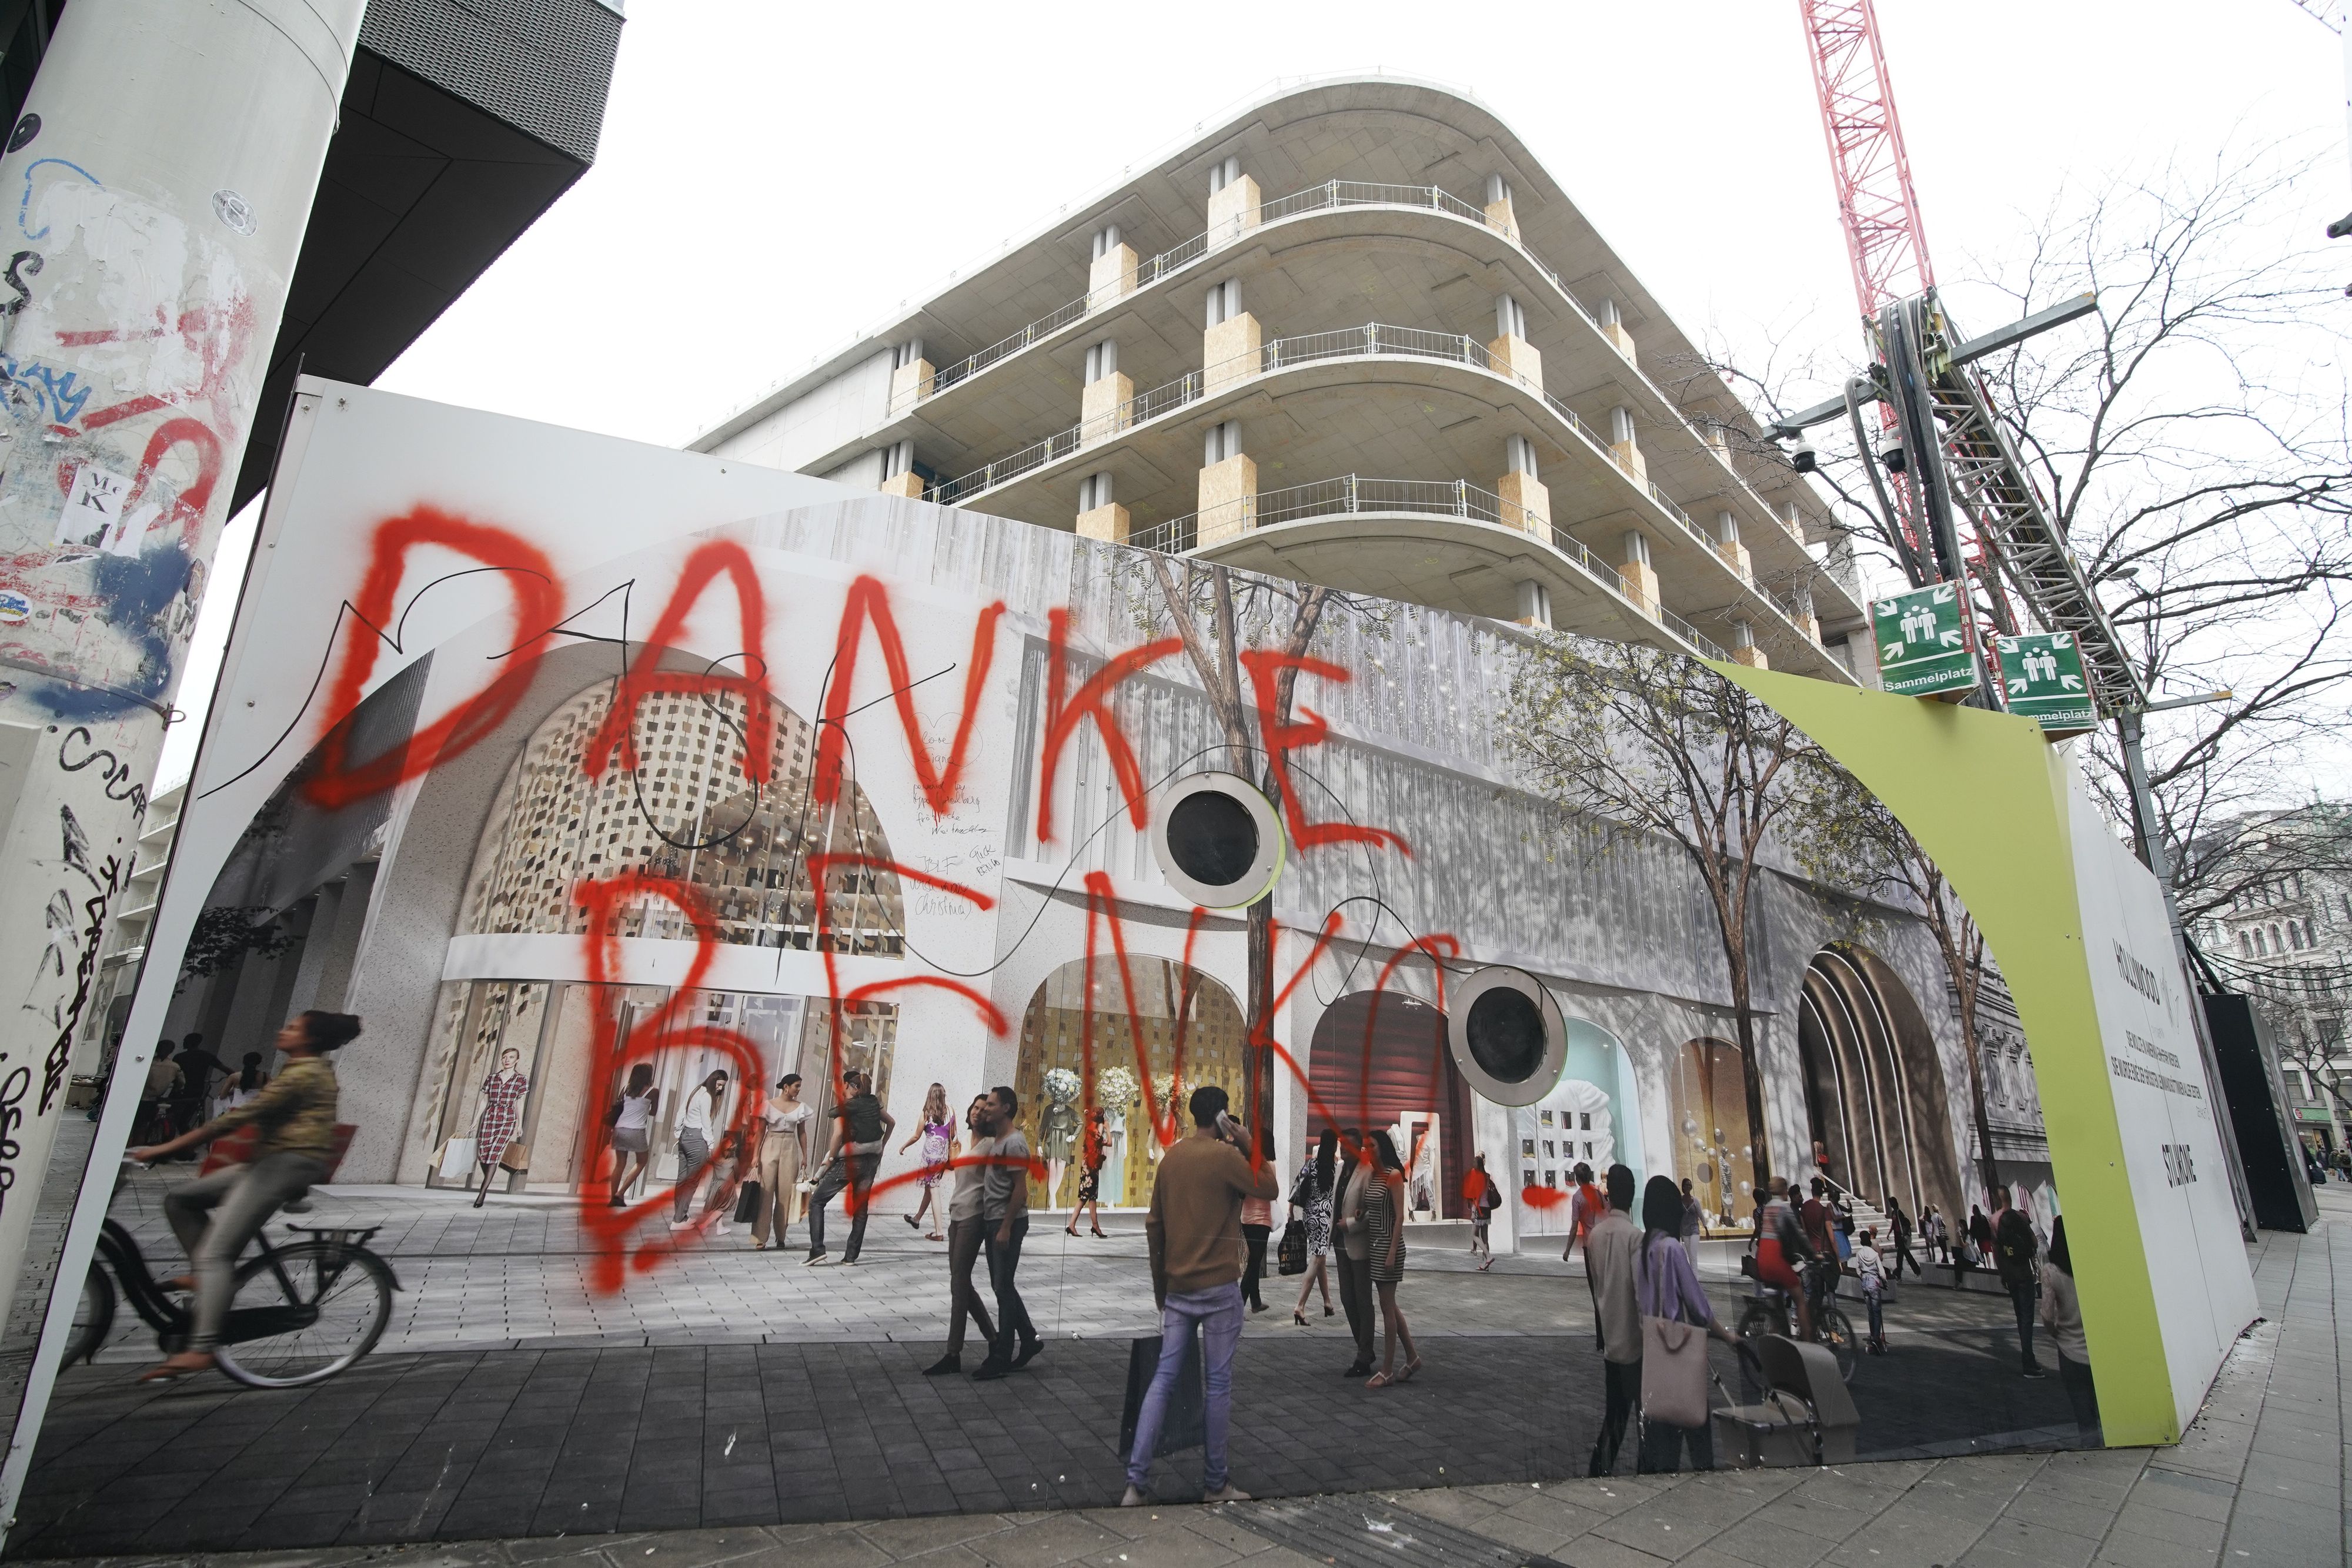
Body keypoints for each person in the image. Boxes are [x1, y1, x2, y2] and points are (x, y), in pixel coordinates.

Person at [127, 1011, 360, 1382]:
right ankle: (208, 1278)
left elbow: (236, 1119)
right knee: (180, 1200)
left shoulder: (305, 1073)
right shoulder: (301, 1069)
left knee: (215, 1254)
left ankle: (202, 1348)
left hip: (287, 1165)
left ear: (311, 1039)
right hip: (268, 1162)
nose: (283, 1030)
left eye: (293, 1028)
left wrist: (163, 1148)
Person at [1121, 1085, 1276, 1506]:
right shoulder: (1226, 1158)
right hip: (1220, 1287)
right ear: (1223, 1116)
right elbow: (1269, 1187)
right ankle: (1215, 1483)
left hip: (1178, 1287)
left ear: (1193, 1114)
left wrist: (1161, 1287)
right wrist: (1248, 1142)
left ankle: (1136, 1482)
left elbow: (1154, 1226)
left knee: (1163, 1380)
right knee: (1218, 1384)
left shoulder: (1172, 1159)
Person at [1635, 1174, 1742, 1474]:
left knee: (1662, 1439)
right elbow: (1699, 1308)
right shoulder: (1672, 1248)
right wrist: (1727, 1336)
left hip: (1653, 1350)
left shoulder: (1642, 1249)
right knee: (1697, 1428)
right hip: (1678, 1347)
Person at [924, 1095, 999, 1376]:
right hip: (957, 1214)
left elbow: (993, 1183)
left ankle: (953, 1353)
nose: (978, 1112)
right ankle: (993, 1338)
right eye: (975, 1108)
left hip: (974, 1217)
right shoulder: (963, 1143)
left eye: (984, 1109)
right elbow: (961, 1176)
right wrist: (953, 1159)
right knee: (961, 1282)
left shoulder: (991, 1145)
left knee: (959, 1283)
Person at [973, 1084, 1041, 1379]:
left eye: (991, 1104)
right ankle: (1028, 1339)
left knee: (1002, 1287)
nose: (987, 1108)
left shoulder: (1014, 1143)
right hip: (995, 1220)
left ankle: (1003, 1354)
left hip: (1006, 1222)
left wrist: (1005, 1228)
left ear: (1006, 1108)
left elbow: (1020, 1190)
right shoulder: (999, 1140)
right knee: (1003, 1286)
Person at [1584, 1164, 1642, 1476]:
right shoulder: (1635, 1237)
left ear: (1609, 1195)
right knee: (1645, 1416)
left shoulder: (1596, 1237)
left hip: (1611, 1339)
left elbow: (1597, 1286)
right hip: (1636, 1342)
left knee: (1615, 1415)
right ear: (1632, 1195)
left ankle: (1599, 1468)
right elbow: (1641, 1294)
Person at [806, 1066, 894, 1265]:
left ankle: (817, 1250)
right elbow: (891, 1122)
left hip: (851, 1162)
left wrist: (831, 1158)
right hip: (872, 1161)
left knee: (817, 1202)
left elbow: (837, 1134)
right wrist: (882, 1146)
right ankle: (851, 1257)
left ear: (849, 1086)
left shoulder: (847, 1107)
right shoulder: (873, 1103)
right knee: (861, 1209)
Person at [1361, 1129, 1421, 1389]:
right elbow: (1375, 1207)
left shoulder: (1393, 1175)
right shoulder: (1374, 1175)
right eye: (1366, 1146)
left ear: (1383, 1147)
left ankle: (1387, 1370)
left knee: (1387, 1308)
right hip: (1375, 1244)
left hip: (1388, 1245)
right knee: (1390, 1305)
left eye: (1372, 1146)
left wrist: (1393, 1252)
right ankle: (1412, 1358)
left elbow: (1399, 1217)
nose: (1367, 1150)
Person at [2038, 1216, 2099, 1443]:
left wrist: (2055, 1332)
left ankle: (2091, 1445)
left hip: (2069, 1350)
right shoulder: (2091, 1264)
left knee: (2083, 1412)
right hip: (2098, 1347)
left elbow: (2047, 1314)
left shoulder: (2051, 1271)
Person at [750, 1073, 812, 1250]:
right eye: (796, 1086)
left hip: (790, 1146)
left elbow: (802, 1132)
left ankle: (781, 1235)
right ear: (786, 1087)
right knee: (765, 1192)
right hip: (770, 1143)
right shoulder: (768, 1105)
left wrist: (805, 1155)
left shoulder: (800, 1107)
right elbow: (760, 1132)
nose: (798, 1090)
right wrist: (755, 1155)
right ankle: (760, 1237)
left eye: (799, 1086)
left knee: (786, 1193)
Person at [1991, 1185, 2044, 1378]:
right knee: (2028, 1317)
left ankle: (2027, 1357)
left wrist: (2002, 1274)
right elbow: (2035, 1242)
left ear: (1997, 1200)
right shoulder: (2021, 1217)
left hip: (2010, 1274)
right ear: (2010, 1198)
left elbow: (1996, 1251)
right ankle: (2028, 1360)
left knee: (2020, 1315)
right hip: (2024, 1272)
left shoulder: (1994, 1220)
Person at [1334, 1128, 1375, 1374]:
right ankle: (1364, 1347)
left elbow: (1373, 1211)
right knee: (1346, 1298)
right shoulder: (1340, 1170)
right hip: (1340, 1244)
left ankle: (1364, 1354)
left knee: (1362, 1300)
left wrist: (1350, 1224)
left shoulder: (1367, 1172)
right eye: (1342, 1145)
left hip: (1359, 1245)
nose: (1343, 1150)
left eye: (1348, 1146)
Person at [667, 1070, 729, 1231]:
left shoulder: (695, 1091)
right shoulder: (707, 1097)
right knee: (692, 1181)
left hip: (685, 1136)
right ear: (713, 1080)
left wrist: (678, 1131)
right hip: (697, 1138)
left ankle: (681, 1216)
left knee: (682, 1180)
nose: (720, 1089)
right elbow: (706, 1122)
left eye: (722, 1086)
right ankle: (678, 1220)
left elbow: (681, 1112)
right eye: (719, 1085)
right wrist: (711, 1144)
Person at [1754, 1176, 1813, 1341]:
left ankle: (1775, 1339)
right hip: (1776, 1258)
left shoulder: (1767, 1208)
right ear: (1784, 1191)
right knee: (1800, 1299)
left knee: (1777, 1306)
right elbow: (1799, 1234)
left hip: (1763, 1259)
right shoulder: (1784, 1208)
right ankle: (1807, 1342)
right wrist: (1813, 1254)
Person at [470, 1046, 530, 1209]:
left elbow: (519, 1103)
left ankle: (482, 1192)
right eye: (505, 1057)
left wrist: (519, 1124)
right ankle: (487, 1182)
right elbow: (485, 1100)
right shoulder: (492, 1078)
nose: (507, 1060)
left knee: (494, 1154)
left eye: (511, 1057)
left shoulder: (521, 1080)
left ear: (517, 1060)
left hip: (507, 1119)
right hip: (489, 1117)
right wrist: (475, 1120)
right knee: (484, 1154)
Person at [1291, 1128, 1338, 1326]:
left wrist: (1290, 1210)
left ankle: (1327, 1303)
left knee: (1320, 1258)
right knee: (1317, 1258)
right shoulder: (1336, 1167)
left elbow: (1297, 1184)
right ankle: (1300, 1306)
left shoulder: (1310, 1164)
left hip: (1309, 1215)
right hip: (1326, 1218)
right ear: (1334, 1146)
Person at [900, 1082, 953, 1241]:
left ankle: (939, 1232)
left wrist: (904, 1146)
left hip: (930, 1157)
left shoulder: (926, 1114)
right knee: (930, 1189)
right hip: (943, 1156)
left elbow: (916, 1136)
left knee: (934, 1190)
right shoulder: (951, 1111)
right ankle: (917, 1219)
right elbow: (953, 1134)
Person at [606, 1064, 659, 1206]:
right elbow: (654, 1112)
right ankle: (620, 1193)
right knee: (642, 1161)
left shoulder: (626, 1089)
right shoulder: (653, 1091)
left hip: (620, 1129)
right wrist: (642, 1110)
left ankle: (613, 1199)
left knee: (620, 1164)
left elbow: (619, 1107)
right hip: (636, 1130)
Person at [168, 1032, 226, 1144]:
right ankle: (187, 1143)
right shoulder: (207, 1056)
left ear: (189, 1042)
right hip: (196, 1091)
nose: (183, 1042)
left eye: (185, 1040)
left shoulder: (179, 1057)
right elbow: (225, 1069)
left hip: (179, 1091)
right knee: (185, 1119)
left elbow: (172, 1074)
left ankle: (170, 1142)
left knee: (173, 1117)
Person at [1239, 1134, 1273, 1314]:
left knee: (1254, 1259)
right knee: (1254, 1262)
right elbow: (1272, 1192)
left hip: (1247, 1218)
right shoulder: (1269, 1166)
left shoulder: (1247, 1166)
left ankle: (1256, 1301)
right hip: (1262, 1220)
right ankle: (1239, 1303)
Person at [1069, 1106, 1109, 1238]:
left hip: (1087, 1165)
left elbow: (1083, 1149)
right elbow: (1108, 1143)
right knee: (1086, 1197)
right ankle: (1073, 1225)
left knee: (1090, 1197)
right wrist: (1107, 1130)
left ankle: (1094, 1226)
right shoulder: (1096, 1131)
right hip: (1091, 1166)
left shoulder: (1089, 1130)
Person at [138, 1040, 182, 1146]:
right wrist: (174, 1091)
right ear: (171, 1051)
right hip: (154, 1099)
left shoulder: (147, 1062)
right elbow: (181, 1083)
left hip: (141, 1097)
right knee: (143, 1126)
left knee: (138, 1126)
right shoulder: (174, 1067)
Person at [1853, 1226, 1887, 1354]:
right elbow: (1882, 1272)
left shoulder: (1859, 1254)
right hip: (1874, 1282)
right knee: (1877, 1312)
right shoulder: (1874, 1254)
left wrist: (1863, 1277)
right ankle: (1876, 1338)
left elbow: (1858, 1270)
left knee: (1870, 1312)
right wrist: (1885, 1283)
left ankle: (1872, 1335)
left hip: (1865, 1283)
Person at [1468, 1152, 1499, 1271]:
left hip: (1480, 1209)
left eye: (1474, 1163)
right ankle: (1485, 1264)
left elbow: (1477, 1196)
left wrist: (1473, 1212)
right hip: (1487, 1208)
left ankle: (1488, 1256)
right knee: (1485, 1237)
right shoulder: (1486, 1176)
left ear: (1478, 1165)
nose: (1473, 1164)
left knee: (1474, 1235)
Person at [215, 1052, 268, 1119]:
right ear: (259, 1062)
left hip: (236, 1111)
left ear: (244, 1062)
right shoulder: (265, 1076)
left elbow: (222, 1096)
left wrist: (235, 1091)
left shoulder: (234, 1077)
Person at [1567, 1162, 1603, 1252]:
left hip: (1589, 1242)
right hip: (1602, 1240)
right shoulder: (1598, 1194)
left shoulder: (1577, 1198)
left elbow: (1574, 1227)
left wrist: (1568, 1250)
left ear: (1578, 1180)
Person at [1887, 1197, 1920, 1279]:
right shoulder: (1893, 1213)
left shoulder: (1899, 1212)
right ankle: (1916, 1270)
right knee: (1906, 1255)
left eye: (1891, 1203)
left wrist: (1903, 1235)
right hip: (1898, 1236)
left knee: (1901, 1256)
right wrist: (1889, 1233)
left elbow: (1904, 1224)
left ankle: (1899, 1273)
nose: (1890, 1205)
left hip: (1901, 1236)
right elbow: (1893, 1225)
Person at [1679, 1178, 1703, 1246]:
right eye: (1687, 1185)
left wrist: (1706, 1228)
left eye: (1690, 1185)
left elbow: (1701, 1215)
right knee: (1689, 1251)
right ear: (1683, 1186)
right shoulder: (1680, 1201)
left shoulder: (1695, 1201)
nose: (1689, 1187)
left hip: (1694, 1229)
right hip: (1685, 1231)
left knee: (1693, 1250)